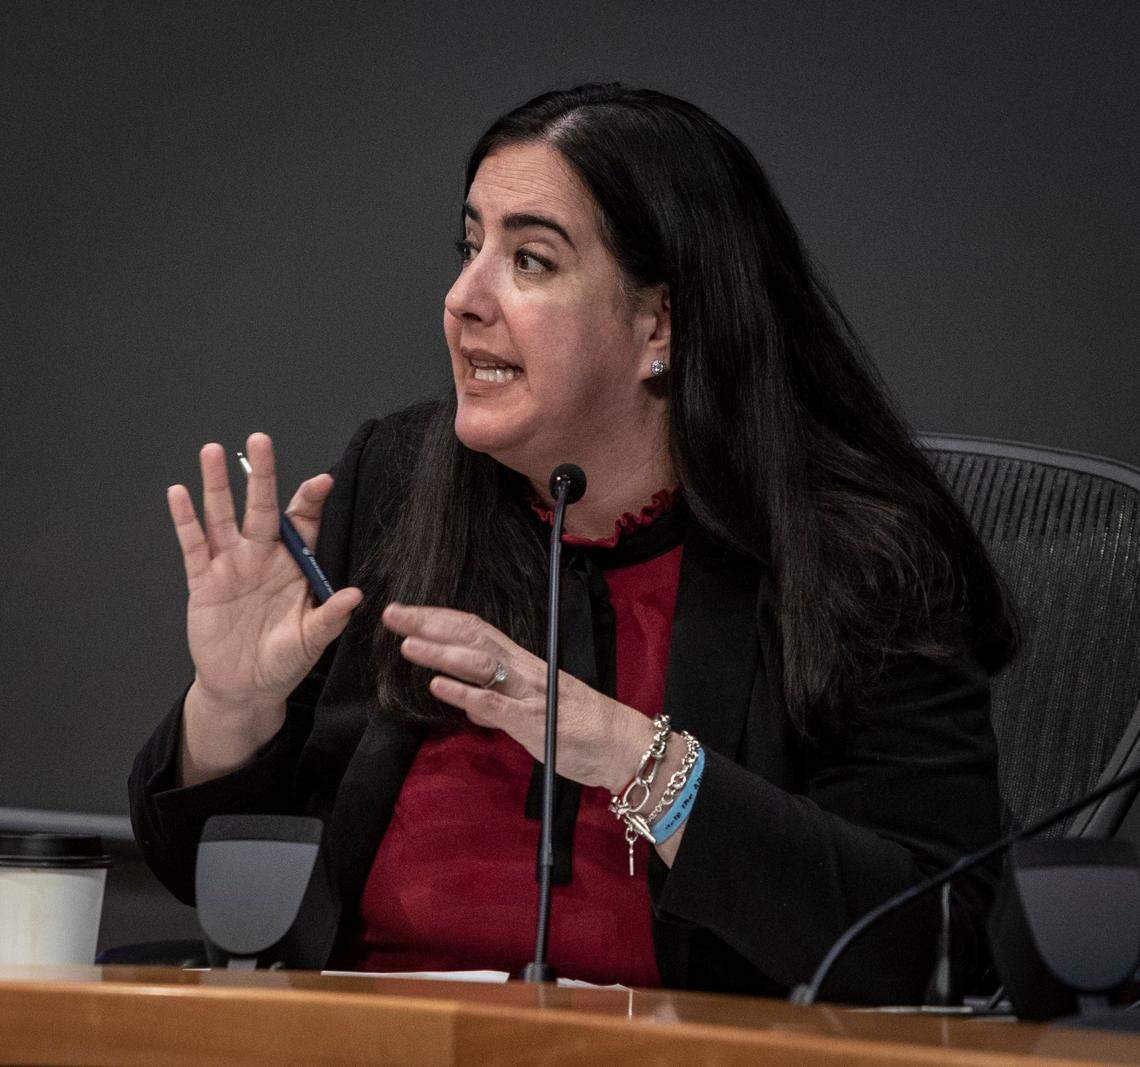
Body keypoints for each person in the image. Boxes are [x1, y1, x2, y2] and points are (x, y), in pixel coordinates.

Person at [130, 83, 1018, 1002]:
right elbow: (205, 878)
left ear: (658, 327)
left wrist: (631, 755)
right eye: (470, 247)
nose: (464, 299)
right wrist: (232, 709)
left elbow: (938, 935)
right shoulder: (395, 481)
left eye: (531, 261)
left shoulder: (852, 553)